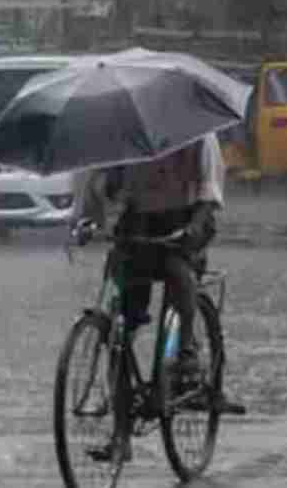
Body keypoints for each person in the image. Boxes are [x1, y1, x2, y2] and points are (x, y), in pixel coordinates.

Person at [75, 133, 225, 384]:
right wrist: (90, 217)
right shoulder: (126, 135)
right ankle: (120, 356)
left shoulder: (201, 136)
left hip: (188, 216)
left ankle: (185, 348)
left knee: (177, 269)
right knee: (121, 274)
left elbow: (210, 191)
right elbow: (100, 185)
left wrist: (193, 227)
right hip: (141, 220)